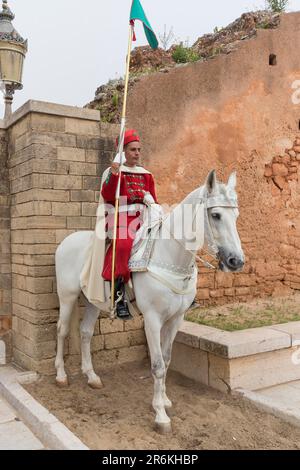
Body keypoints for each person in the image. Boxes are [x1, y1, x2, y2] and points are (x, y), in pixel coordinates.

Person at [101, 129, 158, 320]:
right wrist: (115, 173)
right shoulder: (115, 172)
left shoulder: (147, 174)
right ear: (123, 151)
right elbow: (108, 195)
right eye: (133, 149)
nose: (137, 153)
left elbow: (155, 199)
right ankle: (119, 296)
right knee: (124, 246)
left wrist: (151, 202)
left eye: (139, 150)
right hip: (122, 219)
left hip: (145, 218)